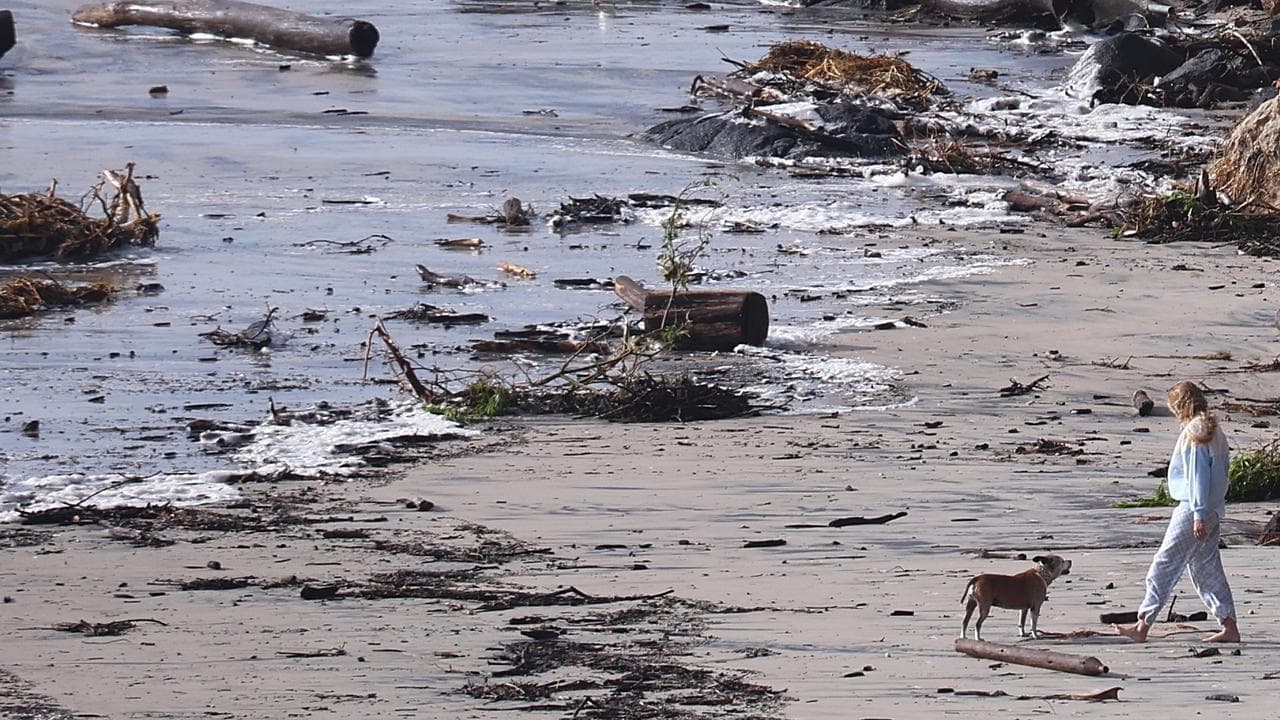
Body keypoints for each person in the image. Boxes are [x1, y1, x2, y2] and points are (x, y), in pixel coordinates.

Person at [1114, 380, 1241, 643]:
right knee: (1206, 567)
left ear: (1181, 405)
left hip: (1194, 508)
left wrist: (1198, 514)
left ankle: (1142, 625)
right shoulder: (1214, 428)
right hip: (1213, 508)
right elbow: (1220, 475)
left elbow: (1198, 477)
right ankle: (1229, 626)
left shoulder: (1196, 430)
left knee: (1165, 563)